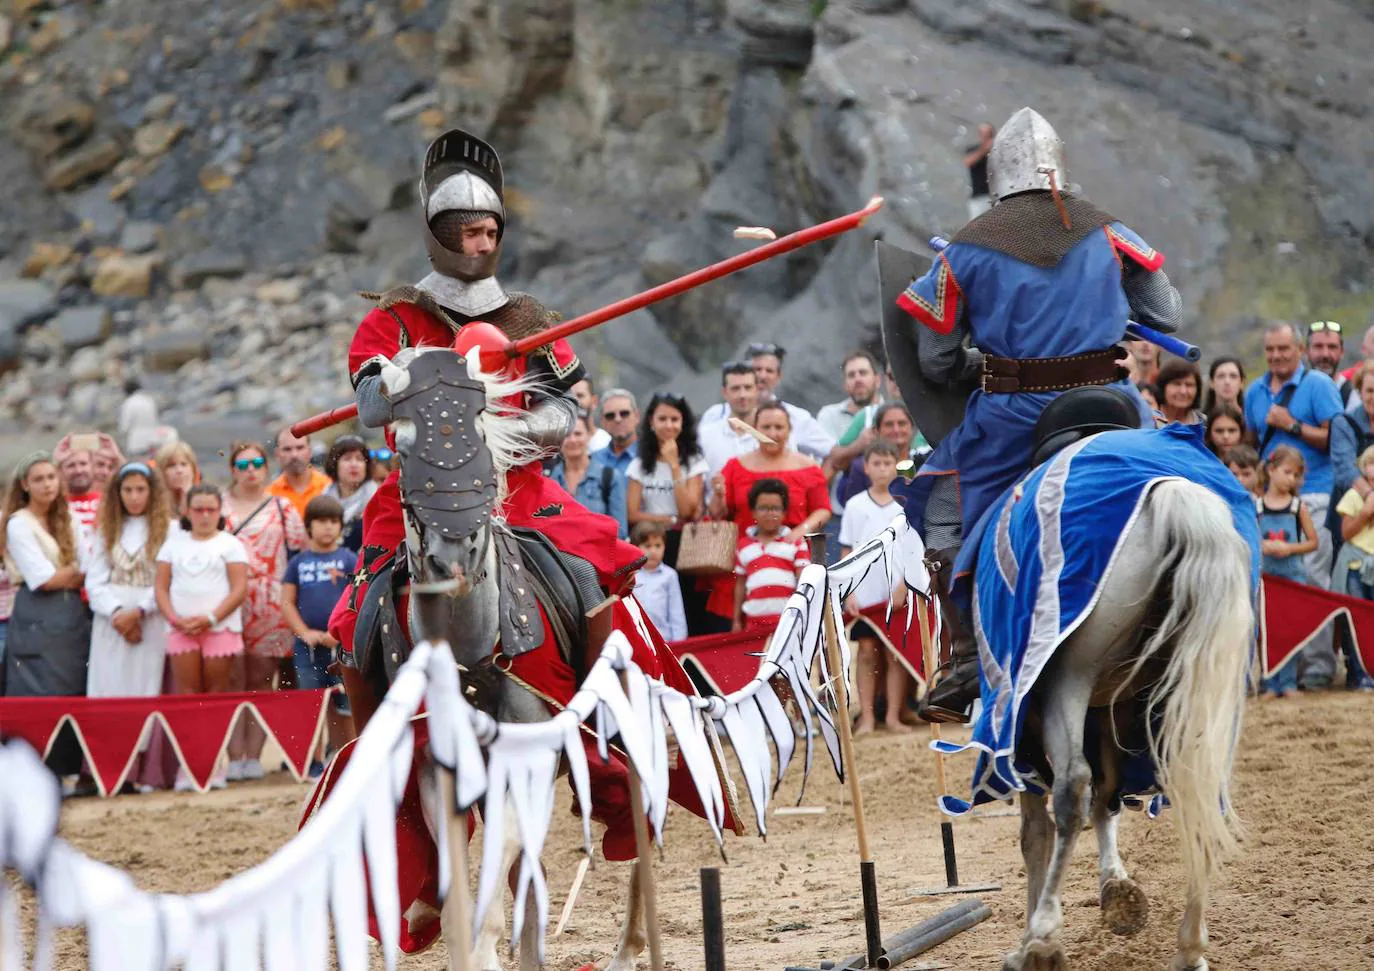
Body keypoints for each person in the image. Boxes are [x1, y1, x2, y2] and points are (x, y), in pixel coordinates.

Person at [330, 127, 642, 695]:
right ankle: (369, 747)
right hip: (422, 488)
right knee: (356, 609)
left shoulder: (528, 317)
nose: (482, 243)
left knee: (596, 571)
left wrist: (498, 433)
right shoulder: (395, 318)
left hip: (518, 486)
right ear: (443, 235)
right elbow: (371, 405)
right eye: (470, 232)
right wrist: (414, 372)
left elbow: (563, 411)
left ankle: (605, 726)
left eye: (491, 232)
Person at [894, 107, 1180, 721]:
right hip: (1115, 403)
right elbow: (1168, 317)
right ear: (1061, 169)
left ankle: (966, 654)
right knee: (1186, 471)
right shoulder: (1109, 230)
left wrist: (979, 361)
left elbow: (937, 362)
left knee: (941, 501)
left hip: (1014, 413)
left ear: (998, 178)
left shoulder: (967, 249)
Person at [1242, 321, 1344, 607]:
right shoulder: (1254, 391)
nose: (1277, 355)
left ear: (1300, 349)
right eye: (1270, 349)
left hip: (1314, 495)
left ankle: (1318, 653)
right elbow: (1249, 445)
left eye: (1284, 348)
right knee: (1267, 582)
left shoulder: (1319, 385)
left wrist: (1292, 425)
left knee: (1310, 581)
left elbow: (1336, 440)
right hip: (1268, 502)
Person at [223, 441, 307, 780]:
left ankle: (253, 755)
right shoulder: (217, 506)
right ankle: (231, 756)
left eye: (256, 463)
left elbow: (300, 555)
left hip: (271, 604)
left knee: (261, 678)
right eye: (242, 465)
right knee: (230, 679)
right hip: (226, 602)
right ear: (232, 470)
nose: (250, 470)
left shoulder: (282, 507)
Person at [155, 484, 249, 789]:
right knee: (187, 696)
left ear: (219, 511)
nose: (205, 515)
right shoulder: (172, 545)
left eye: (211, 509)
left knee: (215, 696)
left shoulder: (230, 544)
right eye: (199, 509)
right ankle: (188, 765)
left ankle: (215, 764)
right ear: (187, 511)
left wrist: (211, 618)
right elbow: (161, 587)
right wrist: (174, 618)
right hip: (181, 631)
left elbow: (239, 589)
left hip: (219, 629)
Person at [706, 403, 831, 628]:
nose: (772, 433)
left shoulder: (808, 466)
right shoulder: (735, 466)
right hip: (746, 558)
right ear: (753, 429)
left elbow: (822, 509)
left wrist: (801, 531)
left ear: (789, 429)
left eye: (779, 427)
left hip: (791, 557)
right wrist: (717, 494)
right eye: (766, 427)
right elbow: (718, 513)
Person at [1, 453, 90, 699]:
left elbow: (89, 566)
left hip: (71, 611)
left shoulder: (69, 517)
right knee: (40, 686)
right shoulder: (18, 524)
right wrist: (75, 571)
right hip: (36, 613)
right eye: (38, 479)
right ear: (25, 485)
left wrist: (71, 573)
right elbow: (42, 579)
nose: (47, 484)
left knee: (74, 683)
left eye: (51, 477)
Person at [281, 495, 358, 777]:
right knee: (311, 704)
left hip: (343, 646)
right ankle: (312, 763)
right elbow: (287, 602)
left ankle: (344, 759)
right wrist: (305, 633)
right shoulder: (298, 563)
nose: (328, 527)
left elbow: (356, 599)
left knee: (346, 704)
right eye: (321, 522)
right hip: (308, 647)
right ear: (308, 526)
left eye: (334, 522)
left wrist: (338, 633)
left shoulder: (350, 559)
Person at [839, 442, 912, 734]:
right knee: (867, 650)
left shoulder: (906, 504)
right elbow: (847, 551)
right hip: (865, 592)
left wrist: (905, 585)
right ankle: (867, 716)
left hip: (896, 591)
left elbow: (914, 549)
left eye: (887, 463)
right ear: (866, 468)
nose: (882, 469)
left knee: (895, 653)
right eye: (876, 463)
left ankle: (893, 715)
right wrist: (849, 590)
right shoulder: (855, 505)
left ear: (897, 465)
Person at [86, 462, 171, 699]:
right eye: (128, 490)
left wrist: (139, 612)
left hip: (149, 615)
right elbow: (95, 581)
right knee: (109, 683)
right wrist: (118, 614)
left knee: (145, 685)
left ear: (152, 492)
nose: (134, 497)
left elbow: (166, 580)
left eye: (141, 490)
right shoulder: (107, 529)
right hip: (111, 617)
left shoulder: (167, 529)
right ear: (118, 493)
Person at [699, 344, 837, 465]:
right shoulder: (715, 415)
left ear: (779, 376)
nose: (762, 376)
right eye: (757, 369)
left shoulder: (796, 417)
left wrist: (813, 487)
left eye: (769, 371)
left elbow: (833, 452)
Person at [1256, 446, 1317, 698]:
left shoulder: (1297, 507)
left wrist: (1289, 548)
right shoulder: (1257, 505)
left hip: (1292, 577)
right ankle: (1269, 681)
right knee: (1267, 630)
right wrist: (1263, 545)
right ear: (1271, 470)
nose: (1291, 479)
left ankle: (1289, 681)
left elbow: (1313, 542)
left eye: (1296, 475)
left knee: (1290, 629)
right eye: (1287, 472)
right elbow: (1249, 537)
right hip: (1266, 578)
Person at [626, 393, 708, 551]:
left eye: (675, 419)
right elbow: (633, 515)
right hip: (649, 543)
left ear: (683, 422)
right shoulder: (639, 464)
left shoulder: (695, 462)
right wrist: (670, 519)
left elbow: (687, 512)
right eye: (662, 419)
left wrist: (674, 465)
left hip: (686, 546)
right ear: (652, 421)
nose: (669, 425)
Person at [732, 479, 811, 632]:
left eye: (775, 508)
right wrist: (736, 620)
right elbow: (740, 585)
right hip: (753, 623)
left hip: (788, 622)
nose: (769, 513)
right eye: (763, 508)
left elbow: (804, 581)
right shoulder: (743, 546)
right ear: (753, 512)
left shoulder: (795, 542)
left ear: (784, 512)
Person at [1330, 444, 1374, 690]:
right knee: (1356, 620)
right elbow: (1345, 532)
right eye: (1371, 463)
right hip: (1357, 565)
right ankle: (1358, 673)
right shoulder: (1354, 496)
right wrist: (1366, 513)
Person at [548, 412, 628, 538]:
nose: (573, 440)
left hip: (598, 554)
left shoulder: (610, 477)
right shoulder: (549, 481)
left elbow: (620, 532)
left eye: (578, 434)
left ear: (589, 436)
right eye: (567, 435)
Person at [837, 402, 927, 504]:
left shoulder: (925, 464)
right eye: (889, 424)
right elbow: (853, 510)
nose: (896, 429)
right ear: (877, 430)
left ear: (912, 427)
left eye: (902, 423)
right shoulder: (862, 467)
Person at [699, 362, 763, 480]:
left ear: (757, 390)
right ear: (724, 392)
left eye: (748, 387)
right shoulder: (705, 436)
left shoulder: (776, 434)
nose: (742, 395)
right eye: (735, 388)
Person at [630, 521, 687, 642]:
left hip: (663, 640)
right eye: (647, 546)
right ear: (636, 547)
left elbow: (676, 613)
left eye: (658, 545)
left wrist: (679, 643)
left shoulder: (669, 575)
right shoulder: (631, 575)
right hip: (636, 640)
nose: (653, 551)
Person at [323, 435, 379, 553]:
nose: (354, 464)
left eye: (359, 459)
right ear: (335, 464)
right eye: (347, 459)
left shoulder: (378, 500)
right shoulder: (323, 499)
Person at [818, 350, 883, 448]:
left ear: (877, 380)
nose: (857, 379)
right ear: (845, 385)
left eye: (863, 373)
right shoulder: (829, 416)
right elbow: (828, 458)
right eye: (851, 375)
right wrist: (859, 445)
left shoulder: (894, 415)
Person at [268, 427, 332, 519]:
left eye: (300, 448)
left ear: (310, 451)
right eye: (287, 449)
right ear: (277, 454)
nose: (294, 455)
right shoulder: (270, 495)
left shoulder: (329, 487)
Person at [52, 433, 104, 533]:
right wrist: (55, 461)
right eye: (71, 465)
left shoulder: (107, 502)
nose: (78, 470)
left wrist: (117, 458)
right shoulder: (53, 505)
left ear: (92, 466)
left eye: (83, 464)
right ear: (60, 470)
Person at [118, 378, 161, 457]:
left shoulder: (129, 403)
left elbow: (124, 427)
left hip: (136, 442)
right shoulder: (149, 400)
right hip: (153, 439)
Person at [1305, 320, 1348, 399]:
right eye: (1318, 346)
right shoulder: (1294, 391)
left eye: (1332, 347)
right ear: (1307, 352)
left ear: (1342, 352)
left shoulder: (1353, 396)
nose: (1325, 354)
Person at [154, 441, 200, 515]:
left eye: (184, 464)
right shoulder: (153, 505)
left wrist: (187, 496)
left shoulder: (205, 502)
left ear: (193, 469)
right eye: (171, 465)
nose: (179, 470)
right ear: (161, 472)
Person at [1157, 359, 1205, 425]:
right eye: (1176, 384)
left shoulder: (1205, 425)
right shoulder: (1147, 422)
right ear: (1163, 387)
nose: (1183, 391)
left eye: (1189, 385)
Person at [963, 123, 995, 221]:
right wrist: (984, 150)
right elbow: (968, 162)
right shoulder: (974, 150)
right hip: (979, 196)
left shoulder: (997, 151)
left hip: (996, 196)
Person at [572, 377, 612, 452]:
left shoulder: (606, 444)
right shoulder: (557, 445)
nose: (574, 401)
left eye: (580, 395)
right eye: (570, 396)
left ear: (594, 401)